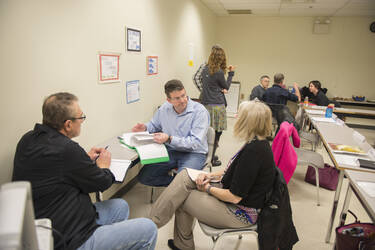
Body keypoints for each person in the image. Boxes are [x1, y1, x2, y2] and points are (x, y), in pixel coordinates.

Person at [12, 92, 157, 250]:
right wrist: (103, 165)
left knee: (120, 206)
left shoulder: (28, 139)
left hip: (55, 219)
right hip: (70, 238)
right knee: (148, 229)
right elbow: (102, 182)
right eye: (80, 117)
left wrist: (83, 160)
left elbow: (60, 171)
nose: (82, 121)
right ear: (68, 124)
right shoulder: (67, 149)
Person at [149, 101, 276, 250]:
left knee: (182, 197)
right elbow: (235, 171)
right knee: (184, 176)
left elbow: (234, 196)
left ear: (249, 122)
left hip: (239, 213)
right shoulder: (256, 143)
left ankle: (155, 229)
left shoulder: (254, 152)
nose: (236, 117)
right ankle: (153, 224)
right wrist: (210, 176)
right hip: (236, 201)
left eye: (239, 115)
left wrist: (208, 188)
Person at [132, 79, 210, 187]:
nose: (183, 100)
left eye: (184, 95)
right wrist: (145, 127)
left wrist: (169, 139)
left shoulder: (200, 112)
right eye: (177, 98)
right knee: (144, 177)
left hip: (194, 153)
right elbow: (154, 125)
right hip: (172, 150)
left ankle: (181, 186)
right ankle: (180, 185)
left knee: (181, 182)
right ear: (169, 100)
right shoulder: (164, 108)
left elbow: (194, 143)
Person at [200, 45, 235, 166]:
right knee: (217, 133)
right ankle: (211, 159)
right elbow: (226, 86)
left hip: (205, 104)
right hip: (217, 105)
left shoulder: (205, 68)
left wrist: (215, 88)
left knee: (206, 132)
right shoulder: (219, 72)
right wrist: (231, 73)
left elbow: (204, 82)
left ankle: (206, 154)